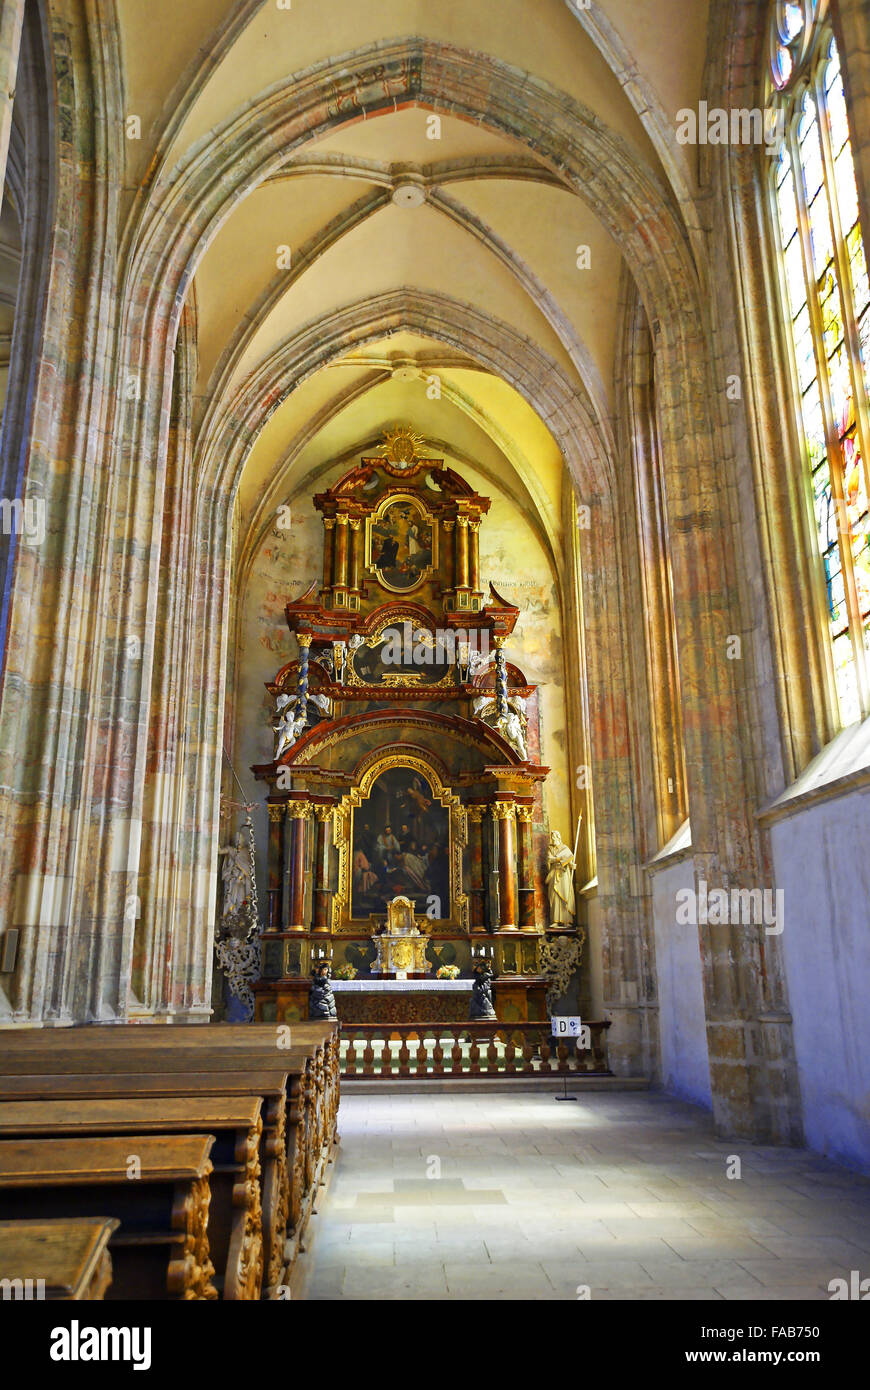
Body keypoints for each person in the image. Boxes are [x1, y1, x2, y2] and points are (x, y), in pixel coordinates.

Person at [546, 830, 576, 927]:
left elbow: (569, 861)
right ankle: (555, 920)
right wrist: (560, 858)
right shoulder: (550, 849)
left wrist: (572, 866)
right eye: (552, 837)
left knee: (565, 895)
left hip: (564, 875)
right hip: (554, 874)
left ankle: (566, 920)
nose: (553, 839)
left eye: (554, 837)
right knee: (554, 896)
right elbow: (550, 859)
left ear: (558, 838)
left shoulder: (565, 848)